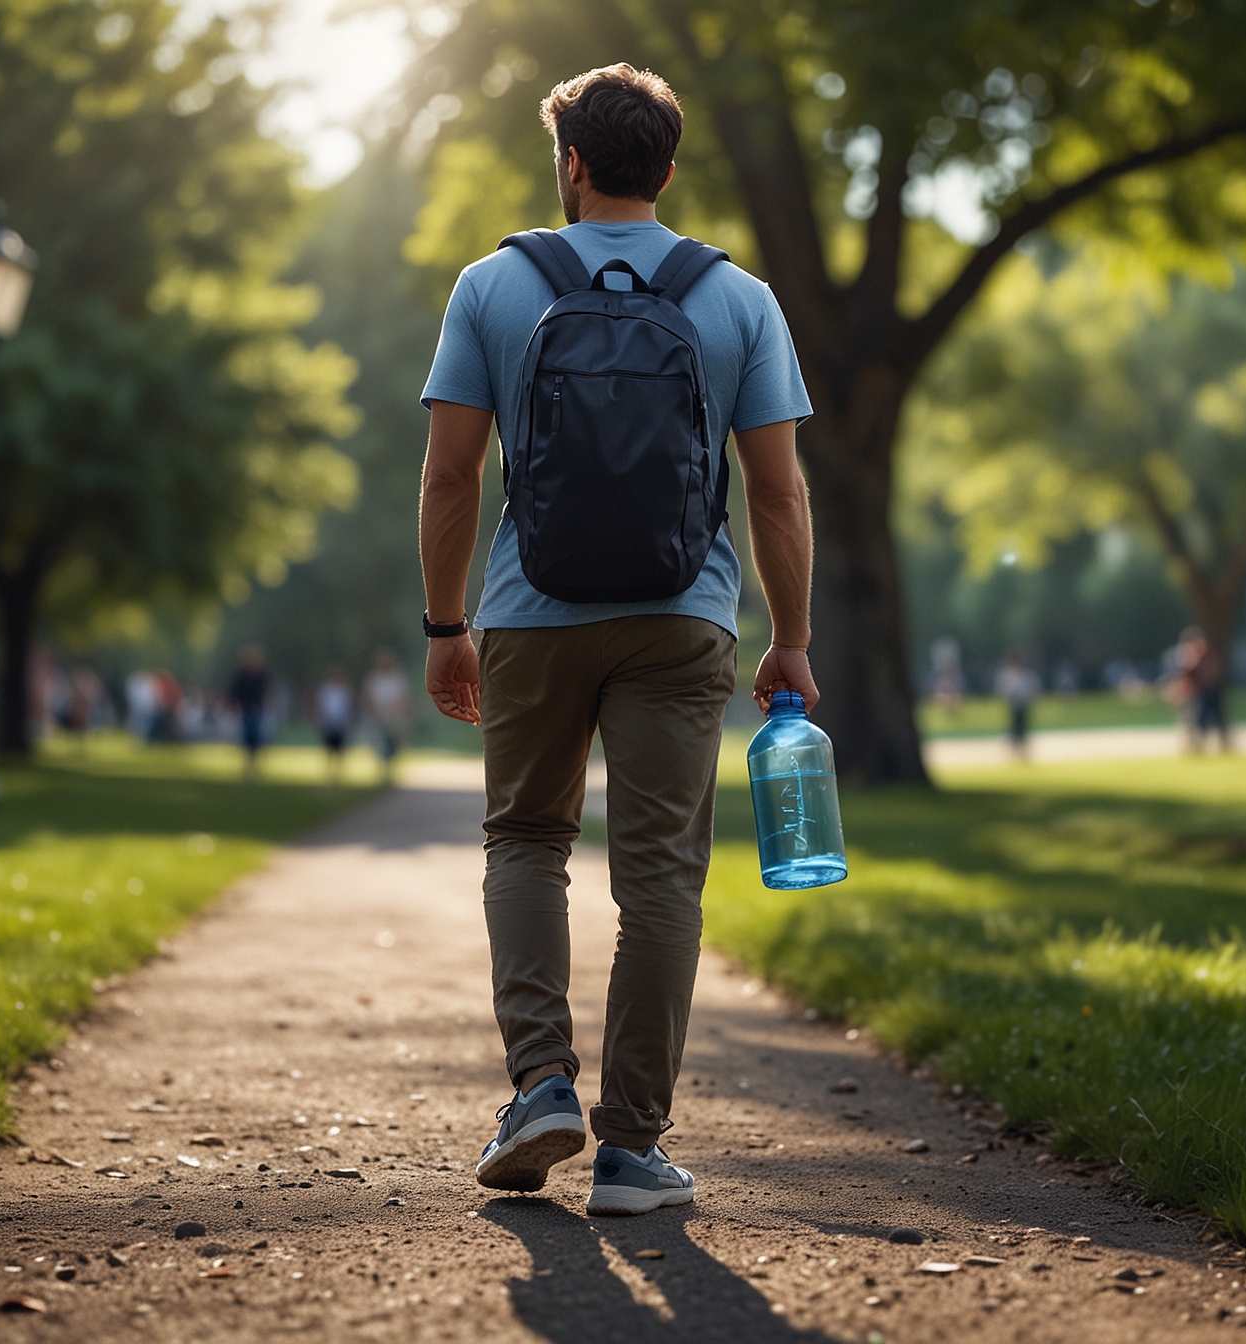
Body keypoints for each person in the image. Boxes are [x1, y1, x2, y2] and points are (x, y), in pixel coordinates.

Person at [416, 64, 816, 1216]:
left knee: (527, 841)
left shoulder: (493, 286)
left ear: (573, 164)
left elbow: (451, 477)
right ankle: (634, 1150)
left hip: (530, 615)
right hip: (681, 618)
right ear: (668, 170)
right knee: (660, 882)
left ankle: (540, 1081)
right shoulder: (738, 299)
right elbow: (778, 497)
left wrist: (448, 626)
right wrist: (789, 639)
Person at [364, 649, 413, 780]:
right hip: (379, 717)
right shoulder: (374, 678)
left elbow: (404, 698)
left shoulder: (397, 678)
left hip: (394, 717)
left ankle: (390, 767)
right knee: (381, 743)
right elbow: (369, 698)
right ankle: (383, 768)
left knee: (393, 743)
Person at [228, 646, 269, 778]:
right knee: (248, 739)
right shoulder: (242, 676)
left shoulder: (260, 676)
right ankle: (249, 767)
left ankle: (254, 767)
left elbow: (265, 693)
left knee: (256, 739)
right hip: (246, 710)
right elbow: (235, 693)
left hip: (257, 710)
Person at [995, 651, 1040, 761]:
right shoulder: (1007, 675)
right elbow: (1003, 690)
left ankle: (1023, 751)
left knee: (1023, 728)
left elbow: (1033, 688)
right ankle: (1015, 751)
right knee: (1014, 729)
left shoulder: (1026, 675)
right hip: (1013, 705)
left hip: (1023, 705)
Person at [315, 667, 355, 780]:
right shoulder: (325, 690)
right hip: (328, 722)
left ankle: (338, 772)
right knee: (329, 748)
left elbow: (349, 707)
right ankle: (329, 771)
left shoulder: (345, 690)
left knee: (340, 748)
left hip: (341, 723)